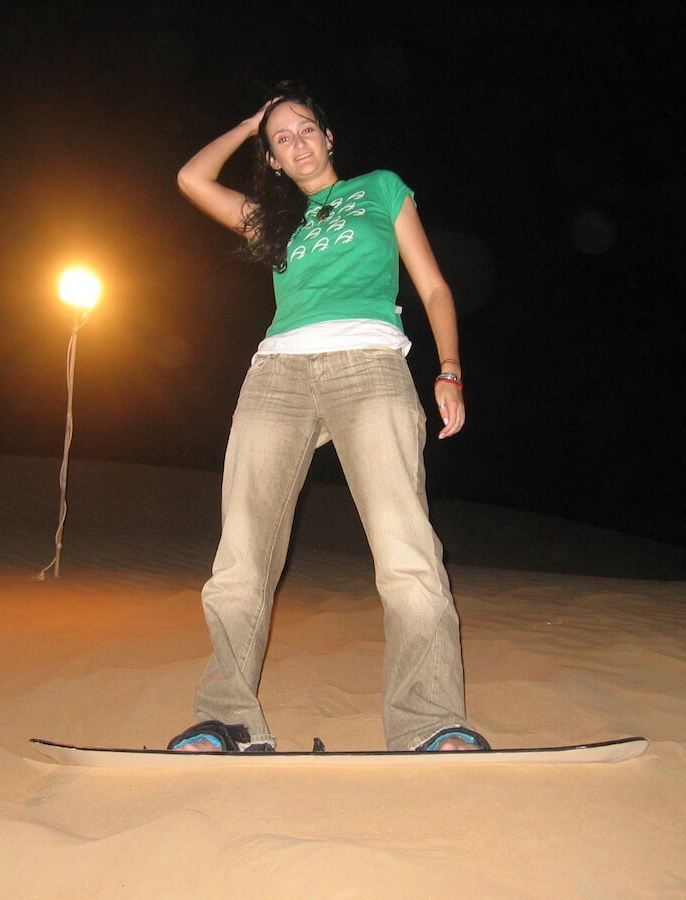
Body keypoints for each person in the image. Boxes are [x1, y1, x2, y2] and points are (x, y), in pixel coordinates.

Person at [168, 81, 487, 754]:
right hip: (277, 375)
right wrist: (251, 121)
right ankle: (228, 718)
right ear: (274, 160)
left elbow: (432, 285)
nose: (296, 143)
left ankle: (428, 722)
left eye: (306, 128)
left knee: (406, 552)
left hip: (369, 365)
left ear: (329, 136)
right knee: (240, 560)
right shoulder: (272, 219)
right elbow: (191, 178)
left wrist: (449, 369)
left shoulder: (381, 189)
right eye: (280, 140)